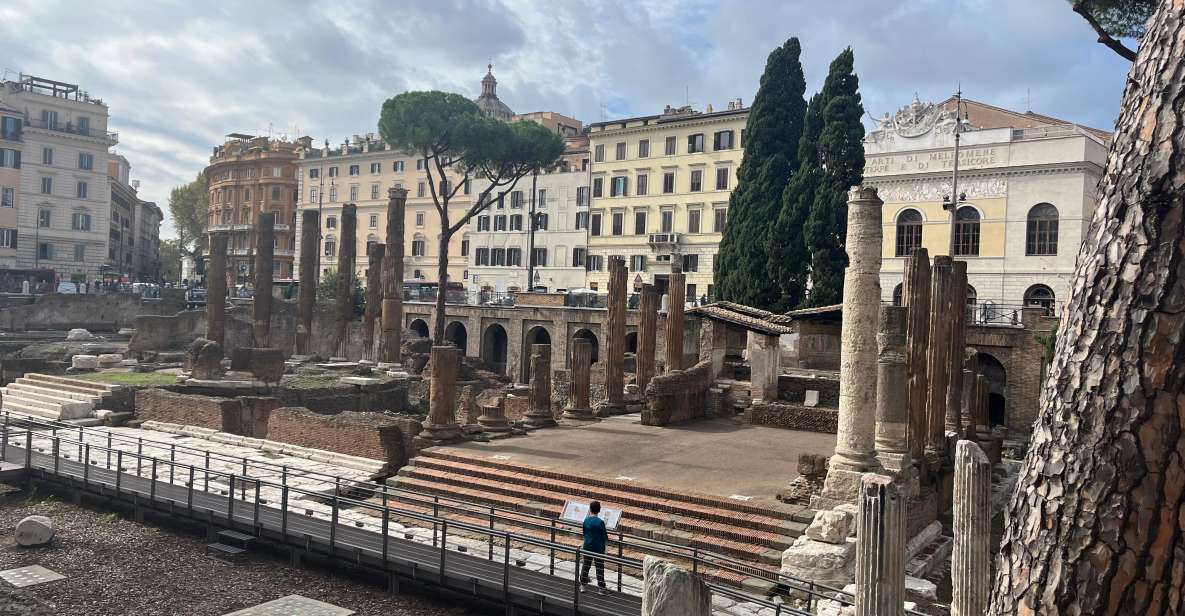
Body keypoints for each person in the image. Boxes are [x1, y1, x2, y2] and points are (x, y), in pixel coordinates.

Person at [580, 500, 608, 592]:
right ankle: (601, 588)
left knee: (586, 565)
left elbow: (584, 533)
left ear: (590, 509)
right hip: (598, 547)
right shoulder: (600, 522)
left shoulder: (586, 520)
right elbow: (604, 536)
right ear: (599, 510)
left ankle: (583, 585)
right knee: (599, 567)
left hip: (587, 545)